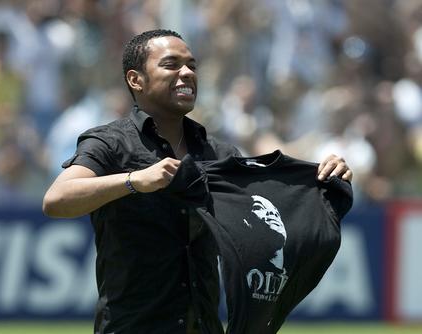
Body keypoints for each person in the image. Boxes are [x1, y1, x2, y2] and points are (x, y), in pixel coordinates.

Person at [42, 29, 352, 334]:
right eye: (171, 64)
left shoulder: (218, 153)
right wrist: (135, 180)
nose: (187, 72)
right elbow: (57, 199)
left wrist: (320, 178)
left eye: (192, 65)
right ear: (136, 80)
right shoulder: (110, 142)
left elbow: (269, 204)